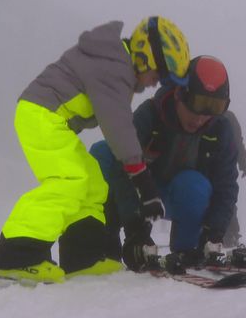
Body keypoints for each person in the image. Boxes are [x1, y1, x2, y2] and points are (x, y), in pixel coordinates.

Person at [0, 17, 190, 283]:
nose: (155, 83)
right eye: (158, 74)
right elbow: (118, 126)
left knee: (94, 183)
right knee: (70, 180)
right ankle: (18, 255)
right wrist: (143, 181)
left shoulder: (115, 63)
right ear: (145, 55)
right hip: (41, 115)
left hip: (48, 118)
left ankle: (83, 256)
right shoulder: (115, 67)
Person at [89, 55, 238, 273]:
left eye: (213, 108)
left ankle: (186, 250)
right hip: (144, 192)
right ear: (179, 94)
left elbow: (226, 186)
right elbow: (124, 172)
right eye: (196, 104)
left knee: (193, 184)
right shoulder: (149, 115)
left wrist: (213, 233)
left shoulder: (220, 130)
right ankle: (105, 245)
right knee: (103, 153)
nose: (200, 118)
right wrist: (136, 231)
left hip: (183, 196)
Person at [222, 110, 246, 247]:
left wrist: (242, 161)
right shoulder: (228, 116)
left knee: (227, 201)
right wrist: (242, 162)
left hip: (226, 165)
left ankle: (231, 234)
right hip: (223, 165)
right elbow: (238, 140)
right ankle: (230, 234)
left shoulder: (228, 117)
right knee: (227, 201)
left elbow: (238, 140)